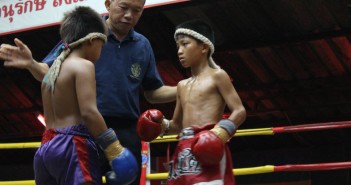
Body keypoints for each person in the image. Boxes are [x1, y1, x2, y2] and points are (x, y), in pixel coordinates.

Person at [0, 0, 177, 184]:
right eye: (124, 7)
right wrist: (32, 64)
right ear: (108, 4)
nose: (129, 15)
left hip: (56, 139)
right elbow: (86, 109)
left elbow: (52, 76)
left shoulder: (142, 45)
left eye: (137, 11)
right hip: (87, 130)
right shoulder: (86, 38)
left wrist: (182, 89)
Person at [33, 6, 138, 185]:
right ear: (93, 40)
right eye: (102, 46)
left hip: (45, 148)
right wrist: (114, 149)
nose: (101, 52)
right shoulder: (83, 65)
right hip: (72, 145)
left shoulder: (52, 73)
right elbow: (89, 112)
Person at [137, 20, 247, 184]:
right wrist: (160, 125)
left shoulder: (218, 75)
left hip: (209, 145)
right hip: (184, 150)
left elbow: (239, 111)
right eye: (178, 46)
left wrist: (219, 134)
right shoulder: (182, 85)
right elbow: (178, 125)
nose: (180, 51)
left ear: (204, 47)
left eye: (185, 44)